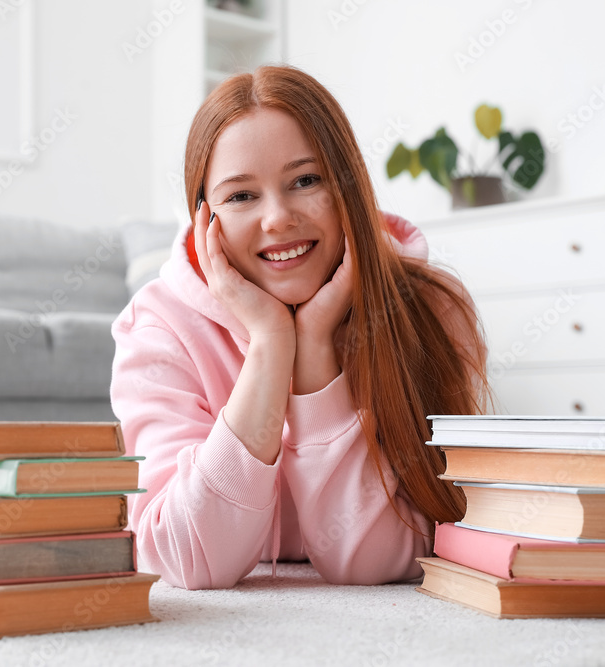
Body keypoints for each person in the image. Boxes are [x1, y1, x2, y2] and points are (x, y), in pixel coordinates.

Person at [110, 64, 489, 590]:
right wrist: (270, 345)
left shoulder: (431, 307)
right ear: (204, 219)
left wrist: (314, 354)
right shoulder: (157, 328)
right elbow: (187, 559)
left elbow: (372, 562)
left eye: (306, 181)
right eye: (241, 195)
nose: (278, 219)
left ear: (348, 187)